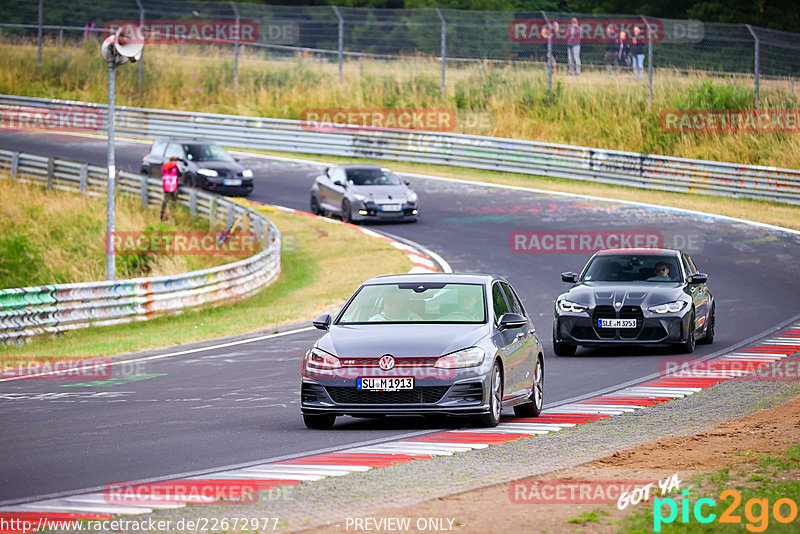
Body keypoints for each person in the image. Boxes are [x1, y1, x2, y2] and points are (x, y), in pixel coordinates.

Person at [160, 156, 180, 221]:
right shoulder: (175, 167)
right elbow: (180, 174)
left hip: (166, 186)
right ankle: (173, 215)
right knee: (173, 201)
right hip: (173, 187)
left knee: (165, 201)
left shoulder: (164, 166)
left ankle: (162, 215)